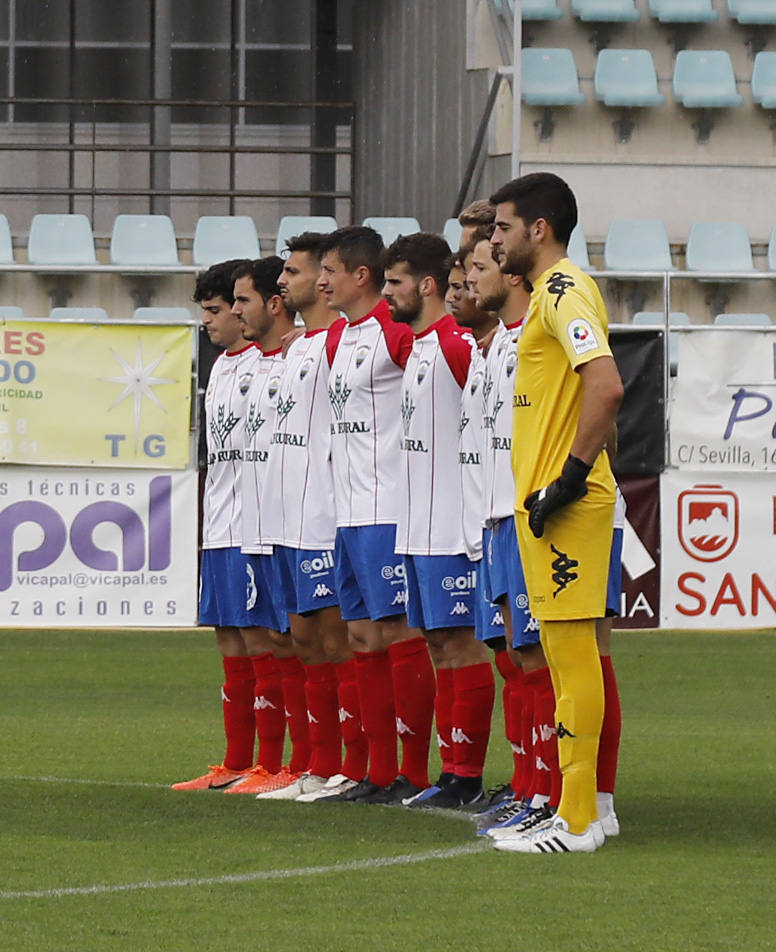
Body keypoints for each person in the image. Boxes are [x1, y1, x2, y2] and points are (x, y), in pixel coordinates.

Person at [489, 172, 624, 853]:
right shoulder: (548, 293)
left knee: (572, 662)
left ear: (538, 229)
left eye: (503, 228)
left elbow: (606, 385)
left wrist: (567, 481)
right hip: (547, 506)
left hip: (565, 507)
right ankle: (582, 810)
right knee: (563, 656)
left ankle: (577, 820)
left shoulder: (565, 291)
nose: (494, 241)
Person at [316, 225, 436, 804]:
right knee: (361, 633)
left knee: (399, 631)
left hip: (389, 506)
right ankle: (380, 773)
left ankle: (414, 771)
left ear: (360, 275)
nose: (320, 282)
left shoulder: (396, 333)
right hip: (348, 510)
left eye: (329, 272)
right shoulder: (339, 338)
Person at [383, 232, 495, 810]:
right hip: (416, 527)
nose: (386, 295)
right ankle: (451, 773)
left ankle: (467, 775)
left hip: (454, 525)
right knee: (436, 644)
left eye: (395, 283)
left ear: (425, 285)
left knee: (464, 645)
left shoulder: (456, 344)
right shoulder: (418, 345)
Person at [255, 234, 365, 802]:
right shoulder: (297, 347)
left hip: (327, 513)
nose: (283, 282)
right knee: (302, 640)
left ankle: (354, 763)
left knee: (335, 639)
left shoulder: (343, 343)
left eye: (293, 272)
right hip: (288, 515)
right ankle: (317, 766)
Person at [464, 230, 563, 838]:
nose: (475, 277)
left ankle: (560, 797)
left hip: (535, 514)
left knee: (549, 658)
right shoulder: (496, 344)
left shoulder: (542, 331)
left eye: (485, 262)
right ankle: (531, 788)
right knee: (520, 657)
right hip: (497, 517)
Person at [173, 258, 278, 791]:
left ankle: (273, 762)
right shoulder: (221, 368)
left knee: (264, 642)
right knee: (230, 640)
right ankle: (236, 761)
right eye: (212, 309)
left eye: (222, 309)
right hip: (219, 526)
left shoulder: (269, 365)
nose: (214, 319)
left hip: (253, 527)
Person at [223, 256, 312, 795]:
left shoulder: (307, 353)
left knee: (314, 642)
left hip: (306, 522)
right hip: (258, 522)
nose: (235, 313)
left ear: (275, 303)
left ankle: (311, 763)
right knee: (279, 642)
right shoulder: (248, 364)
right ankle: (281, 764)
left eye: (242, 301)